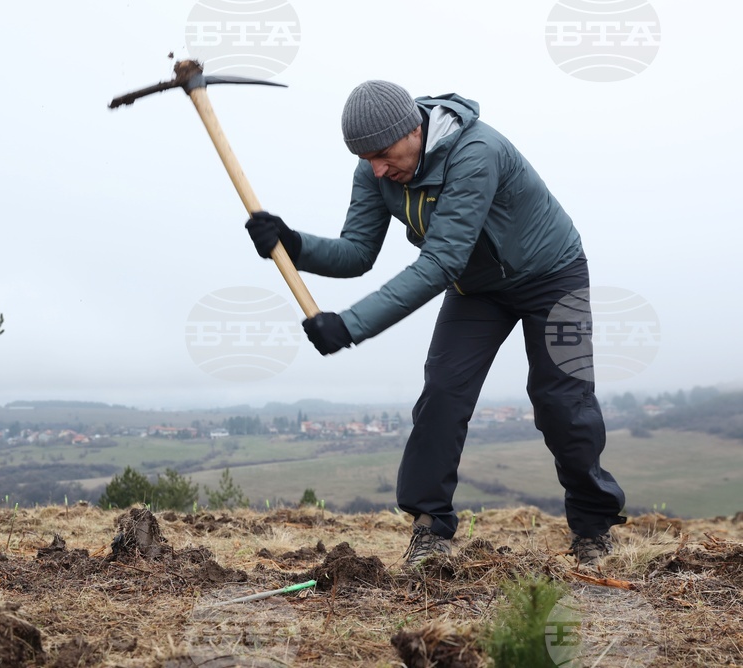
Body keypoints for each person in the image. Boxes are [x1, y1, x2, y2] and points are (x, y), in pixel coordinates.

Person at [246, 80, 627, 568]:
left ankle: (594, 527)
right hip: (477, 287)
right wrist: (292, 244)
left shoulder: (476, 153)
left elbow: (440, 262)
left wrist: (350, 325)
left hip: (553, 275)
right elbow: (357, 252)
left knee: (561, 400)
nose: (377, 169)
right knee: (443, 393)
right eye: (366, 159)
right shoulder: (375, 169)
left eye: (383, 154)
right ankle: (430, 528)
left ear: (414, 129)